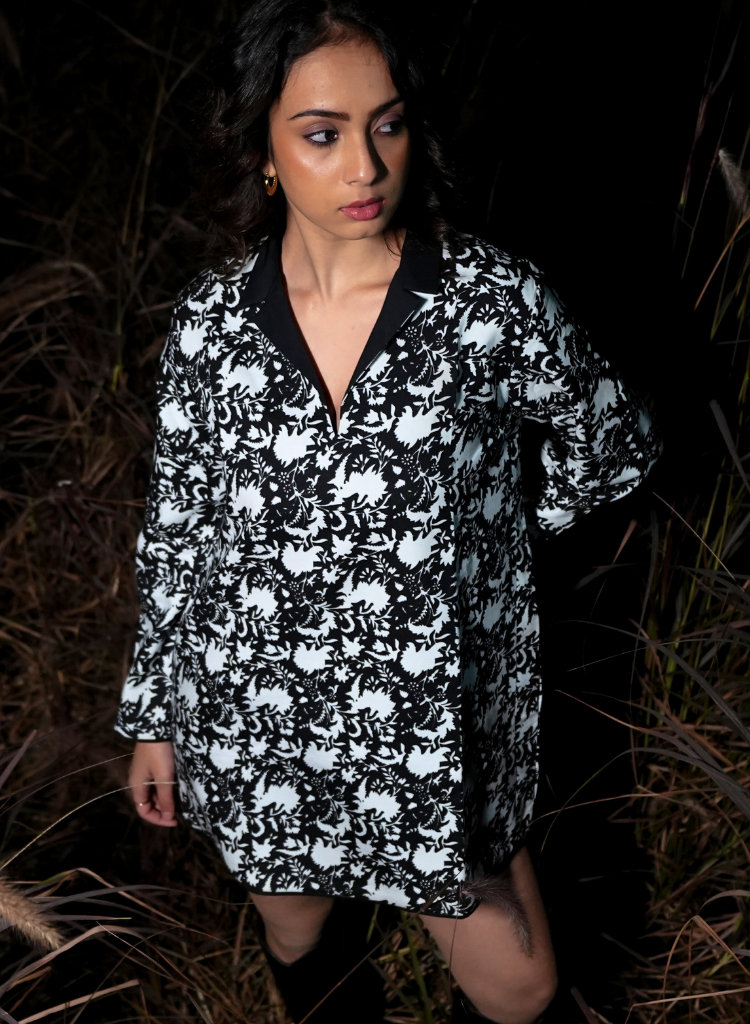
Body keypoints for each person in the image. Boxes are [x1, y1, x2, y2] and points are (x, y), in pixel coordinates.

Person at [115, 2, 662, 1021]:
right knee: (297, 930)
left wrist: (500, 541)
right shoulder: (209, 326)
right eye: (322, 134)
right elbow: (179, 528)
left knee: (521, 984)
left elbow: (614, 439)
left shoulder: (487, 302)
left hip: (433, 723)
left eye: (389, 124)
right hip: (259, 715)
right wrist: (154, 718)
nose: (365, 165)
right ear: (263, 149)